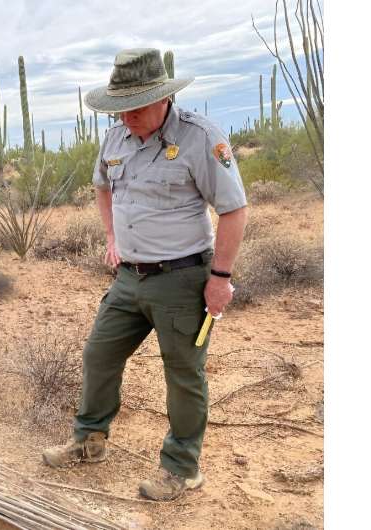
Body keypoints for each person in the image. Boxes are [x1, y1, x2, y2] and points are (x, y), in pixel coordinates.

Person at [41, 48, 248, 501]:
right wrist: (113, 239)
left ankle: (181, 468)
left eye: (135, 108)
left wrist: (220, 277)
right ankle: (90, 440)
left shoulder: (200, 137)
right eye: (120, 109)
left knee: (182, 373)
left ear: (163, 99)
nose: (127, 117)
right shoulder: (115, 139)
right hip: (128, 278)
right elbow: (102, 186)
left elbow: (234, 210)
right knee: (99, 353)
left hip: (181, 279)